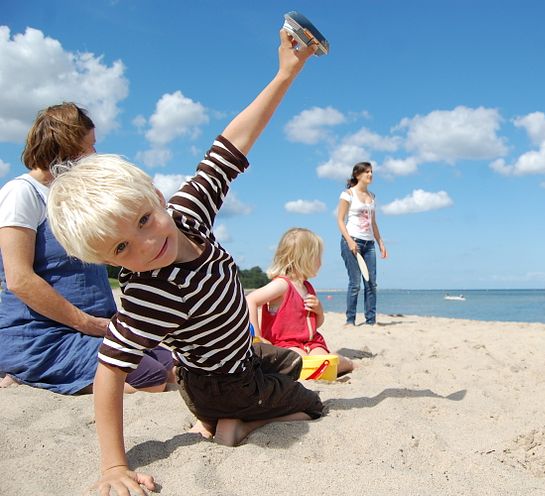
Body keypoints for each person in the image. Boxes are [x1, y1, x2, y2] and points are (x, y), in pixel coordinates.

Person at [46, 30, 323, 494]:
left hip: (242, 350)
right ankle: (236, 426)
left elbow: (230, 147)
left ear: (157, 196)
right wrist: (115, 466)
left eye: (143, 219)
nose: (145, 245)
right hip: (220, 385)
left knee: (293, 360)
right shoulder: (151, 292)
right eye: (120, 250)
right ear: (105, 262)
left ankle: (232, 411)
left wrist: (286, 73)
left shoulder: (185, 215)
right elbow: (110, 370)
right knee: (312, 405)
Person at [0, 103, 174, 394]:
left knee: (170, 367)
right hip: (42, 333)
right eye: (89, 146)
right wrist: (87, 323)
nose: (94, 154)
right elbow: (19, 279)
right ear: (65, 146)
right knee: (150, 381)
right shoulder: (22, 194)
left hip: (95, 329)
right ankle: (23, 372)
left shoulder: (77, 201)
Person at [247, 228, 354, 375]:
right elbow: (250, 300)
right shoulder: (282, 285)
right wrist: (258, 339)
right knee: (300, 362)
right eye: (317, 257)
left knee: (325, 361)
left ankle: (349, 364)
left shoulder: (307, 287)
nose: (321, 262)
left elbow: (312, 326)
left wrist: (319, 311)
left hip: (311, 342)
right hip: (284, 345)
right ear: (304, 258)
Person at [336, 161, 387, 326]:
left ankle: (371, 321)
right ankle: (350, 320)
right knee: (355, 283)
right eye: (367, 172)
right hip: (352, 242)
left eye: (371, 172)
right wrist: (350, 241)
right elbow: (340, 220)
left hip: (369, 244)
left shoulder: (372, 197)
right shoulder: (348, 194)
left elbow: (373, 223)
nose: (370, 174)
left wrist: (381, 243)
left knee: (371, 283)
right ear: (358, 175)